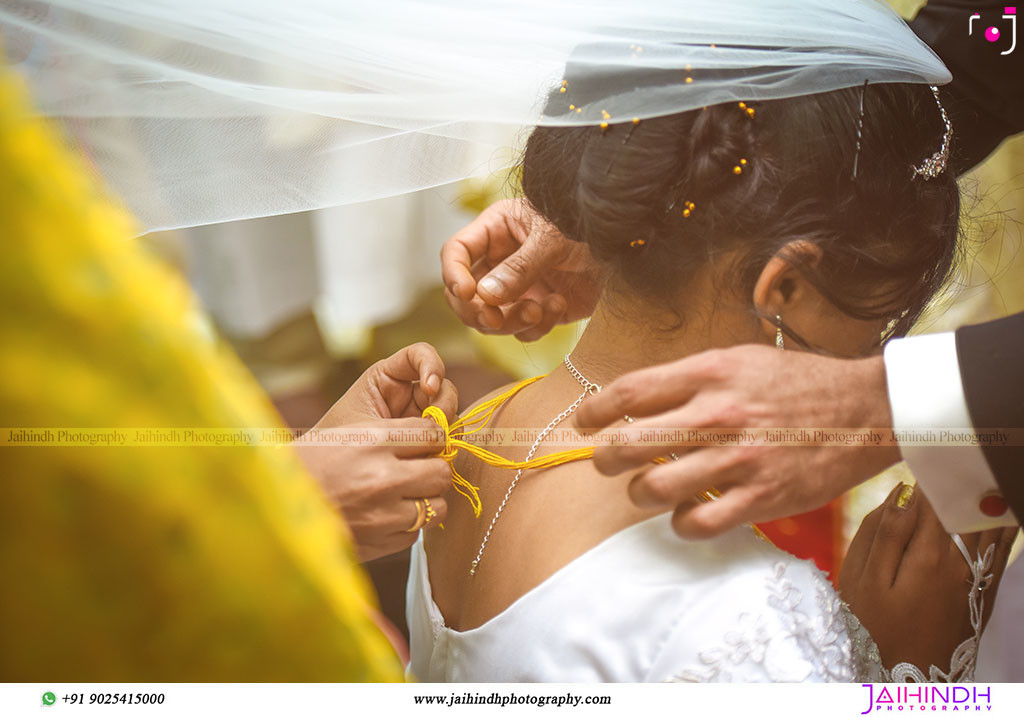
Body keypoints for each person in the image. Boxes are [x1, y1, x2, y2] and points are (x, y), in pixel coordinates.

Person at [408, 4, 1019, 679]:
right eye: (884, 319)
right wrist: (906, 672)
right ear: (782, 290)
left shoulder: (466, 442)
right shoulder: (752, 616)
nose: (876, 349)